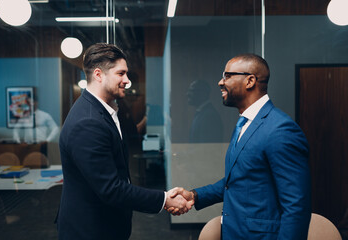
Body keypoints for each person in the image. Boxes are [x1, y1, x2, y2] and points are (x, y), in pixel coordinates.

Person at [56, 43, 193, 240]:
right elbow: (110, 189)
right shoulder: (87, 122)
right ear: (98, 75)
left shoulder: (105, 111)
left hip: (105, 225)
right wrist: (164, 199)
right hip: (89, 230)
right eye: (121, 74)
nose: (127, 81)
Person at [170, 54, 312, 239]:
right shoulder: (245, 124)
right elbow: (237, 182)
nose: (221, 82)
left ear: (250, 81)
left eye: (227, 76)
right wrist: (195, 196)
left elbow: (296, 206)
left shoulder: (280, 130)